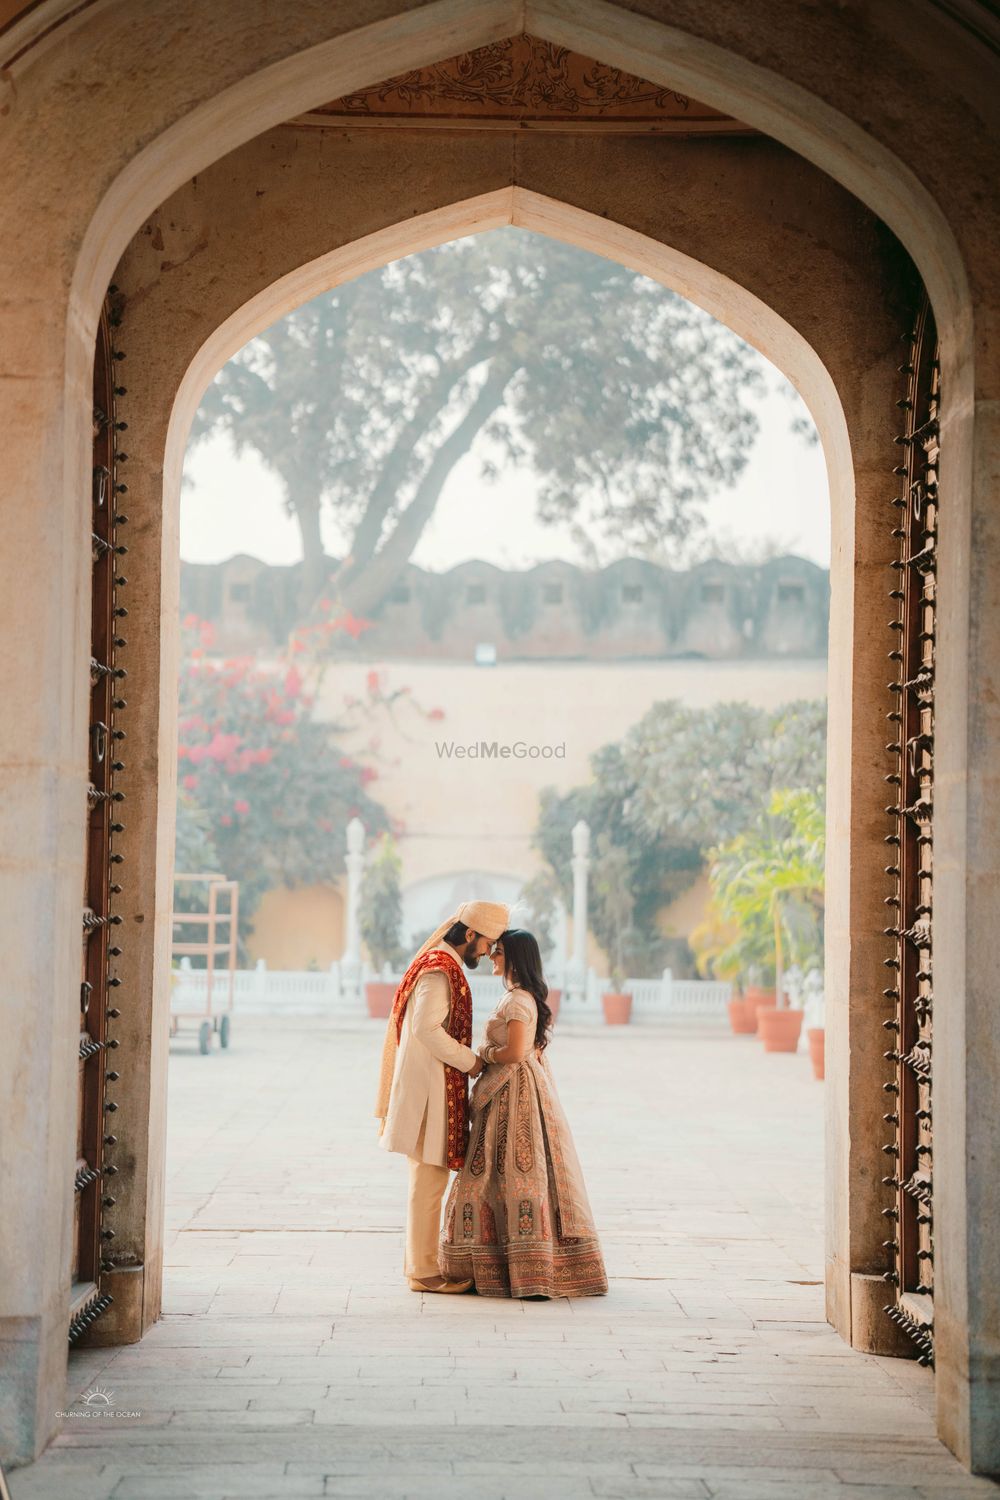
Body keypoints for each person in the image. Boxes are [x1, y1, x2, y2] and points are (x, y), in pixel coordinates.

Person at [440, 928, 608, 1299]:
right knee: (504, 1174)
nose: (492, 958)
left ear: (516, 958)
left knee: (512, 1171)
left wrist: (482, 1055)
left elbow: (515, 1053)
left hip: (514, 1092)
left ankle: (517, 1269)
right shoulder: (519, 997)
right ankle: (511, 1264)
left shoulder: (518, 1002)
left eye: (498, 952)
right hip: (513, 1091)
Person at [375, 899, 510, 1293]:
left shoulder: (440, 962)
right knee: (428, 1183)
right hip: (426, 1093)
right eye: (486, 944)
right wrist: (472, 1062)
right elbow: (426, 1029)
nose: (486, 954)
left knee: (427, 1181)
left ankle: (420, 1267)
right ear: (469, 934)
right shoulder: (438, 969)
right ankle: (423, 1273)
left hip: (429, 1088)